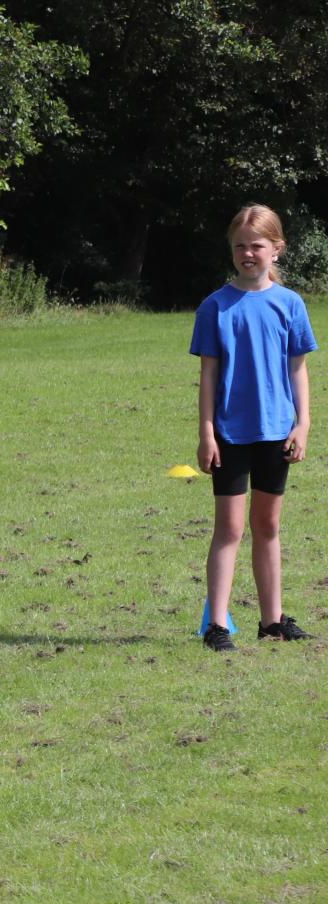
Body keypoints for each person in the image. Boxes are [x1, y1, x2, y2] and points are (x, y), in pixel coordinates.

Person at [191, 204, 316, 650]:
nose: (248, 253)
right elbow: (208, 374)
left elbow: (297, 369)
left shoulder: (290, 304)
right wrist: (207, 431)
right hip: (229, 434)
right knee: (230, 529)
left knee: (268, 526)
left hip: (277, 432)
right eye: (239, 245)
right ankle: (217, 624)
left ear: (276, 250)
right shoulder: (215, 307)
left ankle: (272, 621)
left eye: (257, 245)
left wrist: (303, 424)